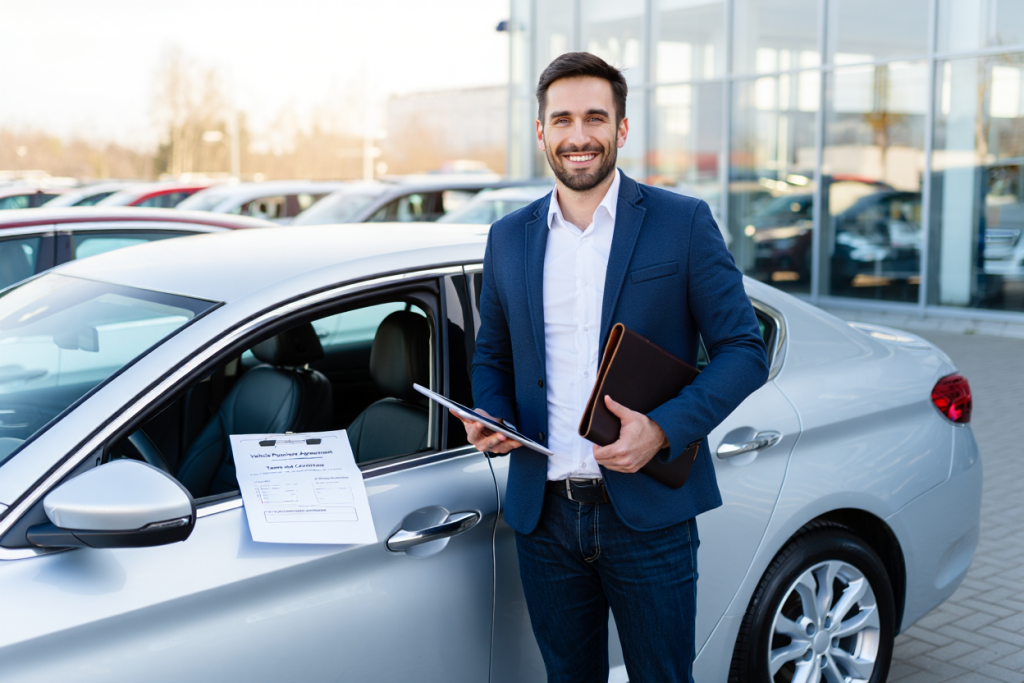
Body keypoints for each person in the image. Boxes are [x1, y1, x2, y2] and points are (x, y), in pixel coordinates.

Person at [459, 51, 769, 683]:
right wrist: (490, 413)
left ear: (622, 129)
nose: (579, 136)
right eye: (563, 119)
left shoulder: (681, 224)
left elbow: (744, 348)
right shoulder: (508, 237)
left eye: (595, 118)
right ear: (540, 131)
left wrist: (663, 430)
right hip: (543, 514)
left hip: (648, 515)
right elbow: (492, 353)